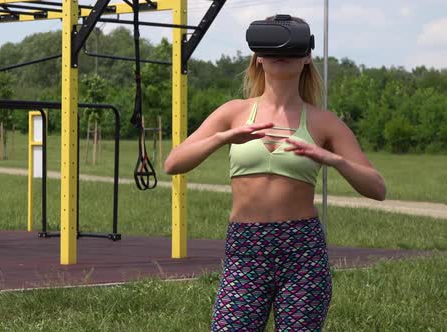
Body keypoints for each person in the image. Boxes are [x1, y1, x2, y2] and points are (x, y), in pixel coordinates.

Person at [164, 15, 386, 332]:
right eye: (270, 46)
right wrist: (222, 138)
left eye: (292, 47)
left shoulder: (323, 122)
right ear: (257, 55)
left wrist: (334, 160)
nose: (280, 54)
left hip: (302, 249)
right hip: (245, 246)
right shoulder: (234, 112)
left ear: (307, 56)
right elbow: (174, 163)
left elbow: (377, 188)